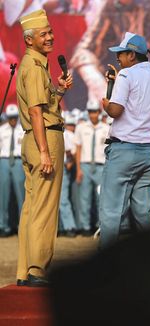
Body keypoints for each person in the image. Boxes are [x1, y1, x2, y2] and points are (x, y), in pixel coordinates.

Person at [16, 9, 73, 287]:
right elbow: (38, 113)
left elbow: (44, 106)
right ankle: (38, 269)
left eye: (50, 32)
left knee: (31, 207)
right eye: (44, 34)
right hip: (44, 138)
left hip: (33, 138)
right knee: (45, 208)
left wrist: (59, 91)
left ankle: (25, 270)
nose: (50, 37)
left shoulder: (33, 65)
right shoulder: (35, 67)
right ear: (29, 40)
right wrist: (45, 152)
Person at [99, 32, 150, 248]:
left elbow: (116, 111)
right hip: (149, 152)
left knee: (111, 213)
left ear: (131, 54)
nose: (118, 58)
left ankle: (106, 270)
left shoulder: (126, 76)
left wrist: (106, 105)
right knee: (144, 214)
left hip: (124, 152)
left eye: (121, 53)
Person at [74, 99, 110, 236]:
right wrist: (78, 169)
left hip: (101, 166)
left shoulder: (106, 128)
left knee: (101, 198)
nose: (93, 114)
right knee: (84, 198)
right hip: (85, 165)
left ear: (99, 112)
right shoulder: (81, 127)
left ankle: (100, 226)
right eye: (90, 112)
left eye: (95, 111)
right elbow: (78, 148)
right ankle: (85, 226)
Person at [0, 104, 25, 237]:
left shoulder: (23, 129)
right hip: (4, 161)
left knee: (21, 194)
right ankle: (3, 226)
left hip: (18, 161)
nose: (13, 120)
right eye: (10, 118)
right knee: (3, 195)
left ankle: (22, 225)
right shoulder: (2, 130)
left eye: (15, 117)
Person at [58, 113, 77, 237]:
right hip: (48, 168)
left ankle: (70, 226)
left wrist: (70, 162)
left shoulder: (66, 134)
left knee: (63, 199)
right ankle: (57, 228)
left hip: (62, 168)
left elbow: (70, 152)